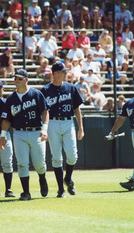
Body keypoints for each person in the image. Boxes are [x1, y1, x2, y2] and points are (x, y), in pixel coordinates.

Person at [0, 69, 49, 201]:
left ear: (26, 80)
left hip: (36, 131)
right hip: (19, 133)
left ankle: (42, 178)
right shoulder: (11, 98)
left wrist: (45, 129)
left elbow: (45, 112)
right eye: (15, 78)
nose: (17, 81)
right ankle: (26, 192)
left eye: (20, 79)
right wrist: (3, 135)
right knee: (22, 163)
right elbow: (6, 119)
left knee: (39, 163)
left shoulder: (36, 94)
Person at [41, 61, 84, 198]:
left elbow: (77, 109)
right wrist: (44, 128)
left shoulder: (71, 88)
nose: (65, 73)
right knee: (56, 158)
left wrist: (80, 128)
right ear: (56, 74)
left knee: (72, 156)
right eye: (63, 71)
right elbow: (42, 111)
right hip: (52, 123)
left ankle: (68, 178)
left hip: (68, 122)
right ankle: (61, 189)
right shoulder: (46, 90)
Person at [108, 97, 134, 191]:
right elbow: (121, 118)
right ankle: (133, 181)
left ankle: (133, 181)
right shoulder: (129, 103)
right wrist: (112, 131)